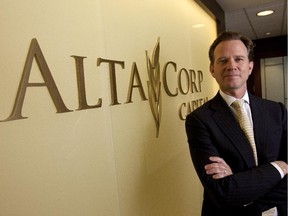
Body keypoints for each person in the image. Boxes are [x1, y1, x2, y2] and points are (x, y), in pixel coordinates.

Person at [185, 31, 287, 216]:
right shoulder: (199, 120)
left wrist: (243, 188)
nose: (231, 66)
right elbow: (223, 193)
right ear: (212, 69)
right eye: (223, 60)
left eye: (239, 59)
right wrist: (279, 167)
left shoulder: (277, 111)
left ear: (250, 66)